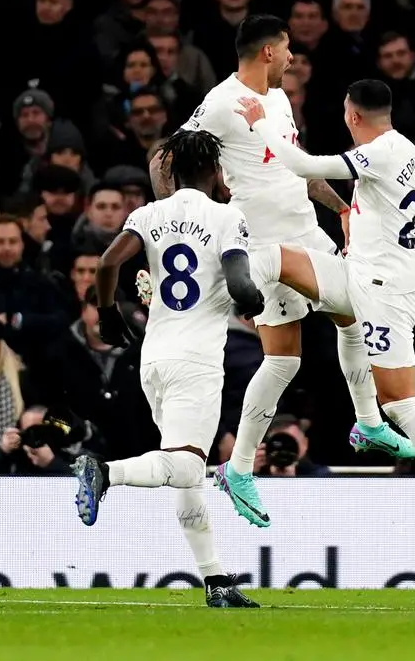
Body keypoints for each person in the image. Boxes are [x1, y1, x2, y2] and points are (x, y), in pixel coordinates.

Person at [156, 15, 415, 530]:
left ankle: (250, 463)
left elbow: (292, 168)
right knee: (337, 318)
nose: (294, 56)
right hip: (264, 246)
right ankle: (359, 424)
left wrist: (341, 207)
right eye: (288, 48)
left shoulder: (273, 100)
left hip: (304, 234)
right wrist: (183, 216)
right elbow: (164, 159)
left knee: (302, 348)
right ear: (268, 52)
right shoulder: (221, 102)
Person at [235, 78, 415, 553]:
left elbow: (302, 164)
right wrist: (370, 212)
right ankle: (366, 425)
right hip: (364, 275)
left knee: (402, 404)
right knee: (270, 258)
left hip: (387, 290)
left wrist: (261, 125)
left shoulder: (381, 150)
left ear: (353, 115)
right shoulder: (404, 149)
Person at [74, 129, 263, 609]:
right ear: (215, 171)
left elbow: (106, 264)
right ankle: (104, 472)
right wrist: (256, 299)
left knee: (187, 474)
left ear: (170, 170)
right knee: (186, 465)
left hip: (153, 360)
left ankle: (215, 580)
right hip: (197, 362)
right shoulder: (226, 216)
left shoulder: (148, 214)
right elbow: (240, 284)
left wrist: (108, 313)